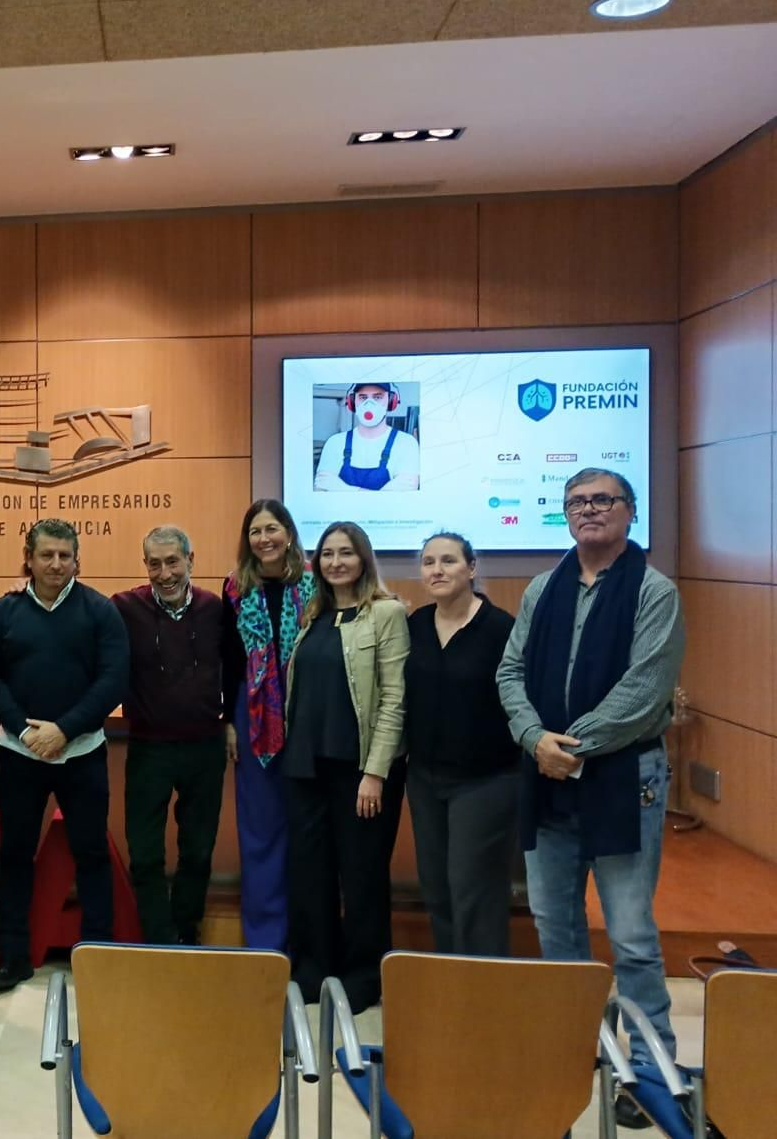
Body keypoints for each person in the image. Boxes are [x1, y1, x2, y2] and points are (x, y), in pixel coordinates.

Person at [496, 469, 684, 1128]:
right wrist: (529, 735)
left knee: (631, 935)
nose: (589, 510)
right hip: (545, 779)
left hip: (621, 778)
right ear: (565, 515)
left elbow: (646, 690)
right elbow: (510, 671)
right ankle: (579, 1052)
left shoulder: (653, 591)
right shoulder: (544, 588)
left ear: (630, 513)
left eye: (604, 500)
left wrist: (564, 749)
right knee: (556, 927)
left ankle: (654, 1075)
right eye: (577, 501)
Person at [0, 519, 129, 993]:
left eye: (65, 556)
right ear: (28, 557)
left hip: (81, 751)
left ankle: (99, 957)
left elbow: (113, 680)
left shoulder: (100, 611)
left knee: (91, 855)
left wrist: (64, 730)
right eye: (46, 555)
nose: (56, 564)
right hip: (19, 752)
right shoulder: (5, 610)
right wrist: (26, 731)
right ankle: (14, 957)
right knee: (15, 855)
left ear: (77, 560)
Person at [281, 521, 408, 1012]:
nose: (335, 562)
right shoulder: (313, 615)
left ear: (364, 559)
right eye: (327, 553)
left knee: (361, 876)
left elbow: (395, 698)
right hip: (307, 767)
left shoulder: (387, 614)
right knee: (310, 874)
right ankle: (313, 971)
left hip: (361, 772)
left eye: (346, 553)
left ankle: (362, 977)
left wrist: (375, 771)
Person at [112, 525, 240, 946]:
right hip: (149, 748)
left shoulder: (215, 609)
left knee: (198, 851)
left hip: (205, 746)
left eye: (173, 562)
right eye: (155, 563)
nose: (164, 573)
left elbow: (239, 668)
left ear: (191, 560)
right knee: (145, 854)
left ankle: (186, 932)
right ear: (144, 565)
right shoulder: (124, 607)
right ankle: (157, 938)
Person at [404, 532, 518, 956]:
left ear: (471, 569)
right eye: (429, 562)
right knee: (436, 888)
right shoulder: (413, 625)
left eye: (448, 561)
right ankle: (450, 984)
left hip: (486, 780)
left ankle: (483, 992)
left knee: (474, 891)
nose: (437, 570)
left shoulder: (501, 628)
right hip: (425, 779)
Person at [222, 499, 315, 952]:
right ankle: (264, 945)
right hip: (253, 718)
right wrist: (228, 723)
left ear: (290, 532)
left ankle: (305, 944)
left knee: (306, 832)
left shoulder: (319, 585)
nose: (264, 538)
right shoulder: (234, 590)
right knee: (259, 832)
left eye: (272, 528)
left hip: (308, 716)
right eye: (256, 531)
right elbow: (228, 660)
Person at [314, 382, 420, 492]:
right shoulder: (334, 443)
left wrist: (341, 488)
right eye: (363, 397)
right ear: (352, 402)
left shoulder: (406, 443)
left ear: (391, 401)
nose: (369, 404)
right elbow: (322, 487)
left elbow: (403, 495)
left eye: (378, 397)